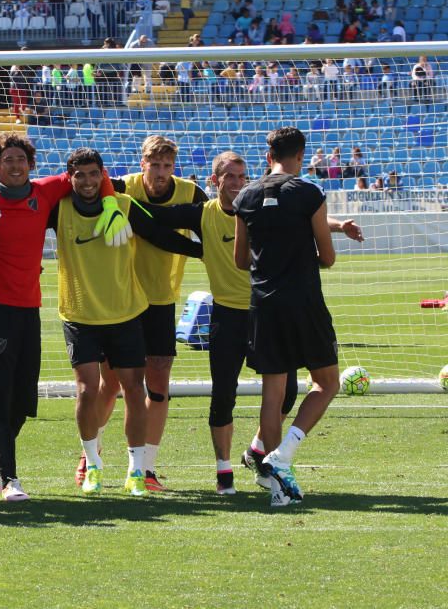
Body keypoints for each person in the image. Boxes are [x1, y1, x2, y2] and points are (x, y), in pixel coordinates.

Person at [141, 151, 362, 494]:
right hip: (227, 316)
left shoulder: (257, 207)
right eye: (229, 177)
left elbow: (303, 218)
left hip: (266, 311)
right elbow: (155, 217)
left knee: (286, 392)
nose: (236, 183)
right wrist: (116, 198)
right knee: (223, 395)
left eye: (241, 177)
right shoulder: (202, 214)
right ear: (214, 182)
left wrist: (337, 225)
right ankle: (223, 473)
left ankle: (259, 451)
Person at [0, 132, 129, 501]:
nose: (16, 166)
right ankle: (11, 480)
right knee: (0, 396)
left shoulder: (45, 191)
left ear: (31, 164)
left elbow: (99, 176)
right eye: (7, 160)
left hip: (30, 309)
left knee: (23, 402)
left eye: (21, 160)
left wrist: (112, 205)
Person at [54, 149, 200, 496]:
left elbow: (160, 232)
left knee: (142, 387)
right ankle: (91, 461)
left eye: (94, 174)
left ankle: (140, 469)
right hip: (82, 313)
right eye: (80, 175)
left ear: (102, 174)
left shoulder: (126, 204)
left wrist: (206, 251)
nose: (88, 181)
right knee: (95, 389)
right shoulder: (59, 206)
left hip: (132, 309)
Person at [233, 127, 343, 507]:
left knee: (273, 391)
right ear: (301, 155)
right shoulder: (309, 192)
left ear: (268, 157)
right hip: (303, 301)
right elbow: (327, 257)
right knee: (326, 383)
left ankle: (276, 485)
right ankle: (283, 456)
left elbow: (239, 259)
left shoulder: (245, 195)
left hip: (263, 302)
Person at [114, 135, 207, 492]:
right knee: (112, 385)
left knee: (159, 382)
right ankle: (90, 457)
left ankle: (146, 468)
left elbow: (216, 224)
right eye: (155, 165)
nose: (162, 172)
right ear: (143, 164)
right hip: (121, 299)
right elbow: (73, 183)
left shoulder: (192, 193)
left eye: (168, 166)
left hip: (162, 299)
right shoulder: (122, 187)